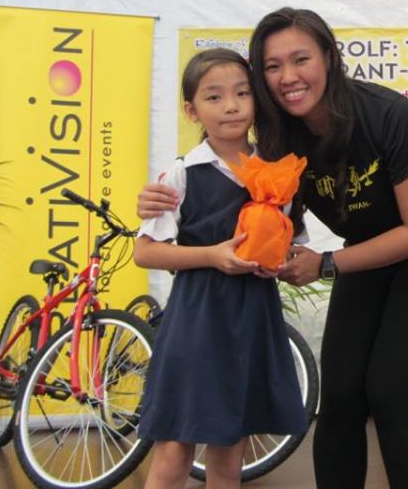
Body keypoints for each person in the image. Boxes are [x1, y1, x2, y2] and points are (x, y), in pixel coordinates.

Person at [137, 8, 408, 489]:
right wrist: (156, 200)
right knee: (338, 397)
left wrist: (326, 264)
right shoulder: (276, 137)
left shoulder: (386, 114)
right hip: (365, 250)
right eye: (272, 66)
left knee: (390, 395)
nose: (288, 77)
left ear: (330, 57)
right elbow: (238, 199)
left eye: (301, 59)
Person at [133, 48, 307, 489]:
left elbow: (290, 247)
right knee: (173, 450)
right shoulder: (182, 173)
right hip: (196, 321)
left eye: (242, 93)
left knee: (230, 453)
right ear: (191, 110)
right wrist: (211, 256)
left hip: (252, 320)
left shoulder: (277, 173)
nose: (231, 106)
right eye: (214, 97)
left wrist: (276, 264)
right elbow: (146, 252)